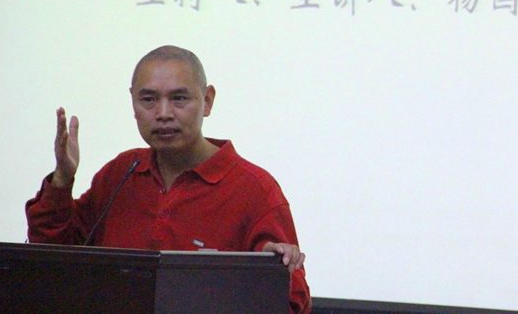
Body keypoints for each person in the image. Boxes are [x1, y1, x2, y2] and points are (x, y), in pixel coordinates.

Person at [26, 45, 310, 314]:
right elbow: (52, 263)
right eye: (148, 99)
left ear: (208, 100)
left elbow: (294, 304)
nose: (163, 114)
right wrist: (62, 179)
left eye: (179, 98)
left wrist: (272, 274)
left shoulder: (254, 189)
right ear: (133, 102)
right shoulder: (122, 173)